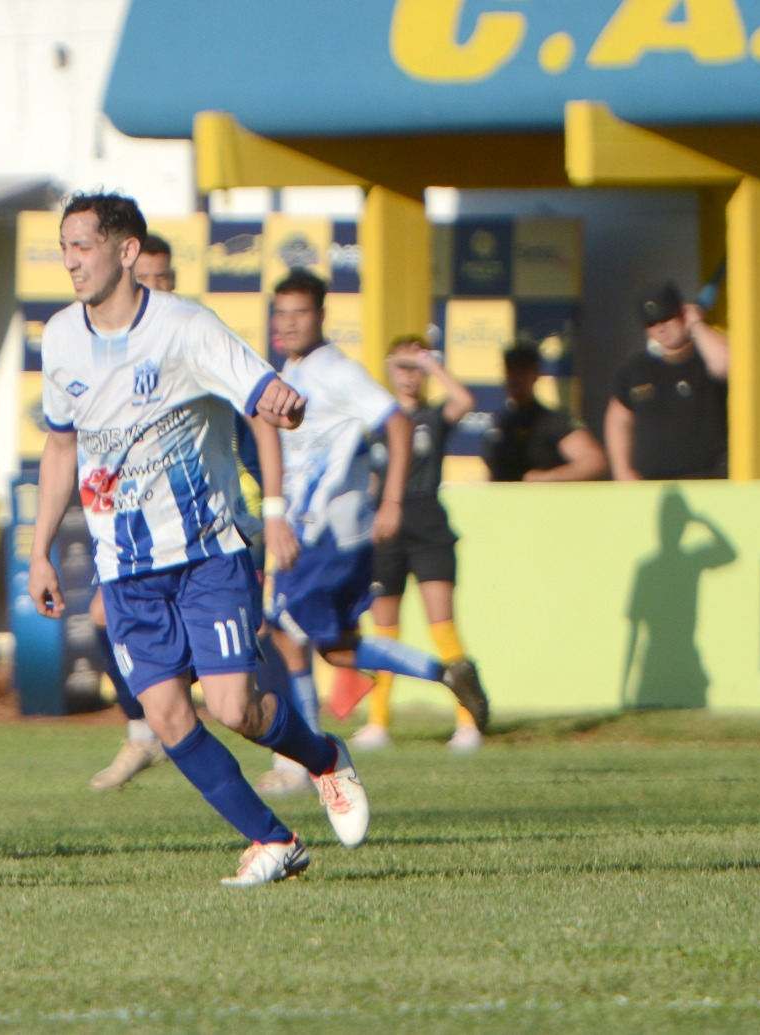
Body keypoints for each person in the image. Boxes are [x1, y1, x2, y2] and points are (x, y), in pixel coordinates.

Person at [31, 192, 368, 887]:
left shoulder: (186, 327)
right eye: (64, 247)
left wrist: (284, 404)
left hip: (207, 552)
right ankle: (272, 840)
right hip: (125, 567)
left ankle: (326, 758)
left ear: (126, 250)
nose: (71, 261)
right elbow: (61, 446)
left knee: (233, 708)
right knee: (166, 716)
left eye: (83, 245)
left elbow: (265, 395)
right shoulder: (60, 337)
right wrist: (39, 550)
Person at [256, 271, 489, 793]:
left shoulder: (336, 370)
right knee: (335, 647)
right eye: (282, 313)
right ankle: (445, 672)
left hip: (329, 531)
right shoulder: (290, 371)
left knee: (283, 630)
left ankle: (304, 764)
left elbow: (398, 423)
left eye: (300, 313)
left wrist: (392, 500)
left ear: (321, 316)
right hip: (318, 528)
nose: (289, 323)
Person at [87, 232, 287, 791]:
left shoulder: (192, 333)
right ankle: (144, 733)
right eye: (144, 277)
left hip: (225, 509)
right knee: (103, 615)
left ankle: (293, 752)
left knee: (259, 635)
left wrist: (274, 508)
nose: (153, 286)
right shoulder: (110, 346)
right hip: (150, 525)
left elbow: (259, 413)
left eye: (162, 277)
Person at [349, 334, 485, 753]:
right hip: (385, 531)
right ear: (389, 370)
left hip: (428, 527)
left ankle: (469, 721)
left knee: (442, 625)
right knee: (384, 632)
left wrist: (431, 365)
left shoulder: (432, 417)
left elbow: (464, 400)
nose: (409, 375)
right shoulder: (375, 421)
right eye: (402, 366)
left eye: (416, 368)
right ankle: (378, 722)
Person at [605, 282, 729, 481]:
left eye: (666, 318)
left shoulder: (706, 356)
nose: (660, 328)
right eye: (651, 323)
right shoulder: (635, 369)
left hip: (709, 479)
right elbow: (619, 419)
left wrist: (696, 323)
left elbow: (724, 364)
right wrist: (623, 472)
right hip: (653, 485)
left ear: (683, 313)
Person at [484, 340, 607, 482]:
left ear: (536, 374)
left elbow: (594, 462)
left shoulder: (554, 421)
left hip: (541, 495)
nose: (516, 378)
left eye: (523, 371)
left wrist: (546, 478)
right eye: (511, 371)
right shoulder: (500, 422)